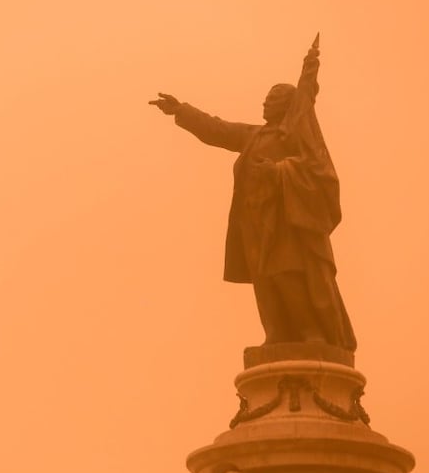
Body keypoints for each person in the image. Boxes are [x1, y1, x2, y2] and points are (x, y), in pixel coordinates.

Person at [149, 36, 356, 351]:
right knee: (265, 280)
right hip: (256, 223)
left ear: (286, 105)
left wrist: (278, 171)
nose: (264, 102)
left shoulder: (294, 135)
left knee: (289, 273)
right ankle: (275, 333)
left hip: (287, 220)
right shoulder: (253, 135)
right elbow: (217, 129)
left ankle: (310, 331)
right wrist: (182, 110)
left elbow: (313, 167)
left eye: (272, 98)